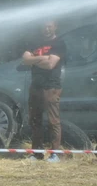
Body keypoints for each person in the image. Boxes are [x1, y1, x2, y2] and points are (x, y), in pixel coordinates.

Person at [22, 20, 66, 162]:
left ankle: (55, 154)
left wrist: (34, 59)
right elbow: (25, 60)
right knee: (35, 120)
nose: (46, 29)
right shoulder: (35, 43)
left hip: (51, 87)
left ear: (55, 27)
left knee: (53, 121)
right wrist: (42, 58)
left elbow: (50, 64)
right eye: (44, 26)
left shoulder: (59, 43)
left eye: (49, 26)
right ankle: (37, 153)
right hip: (35, 87)